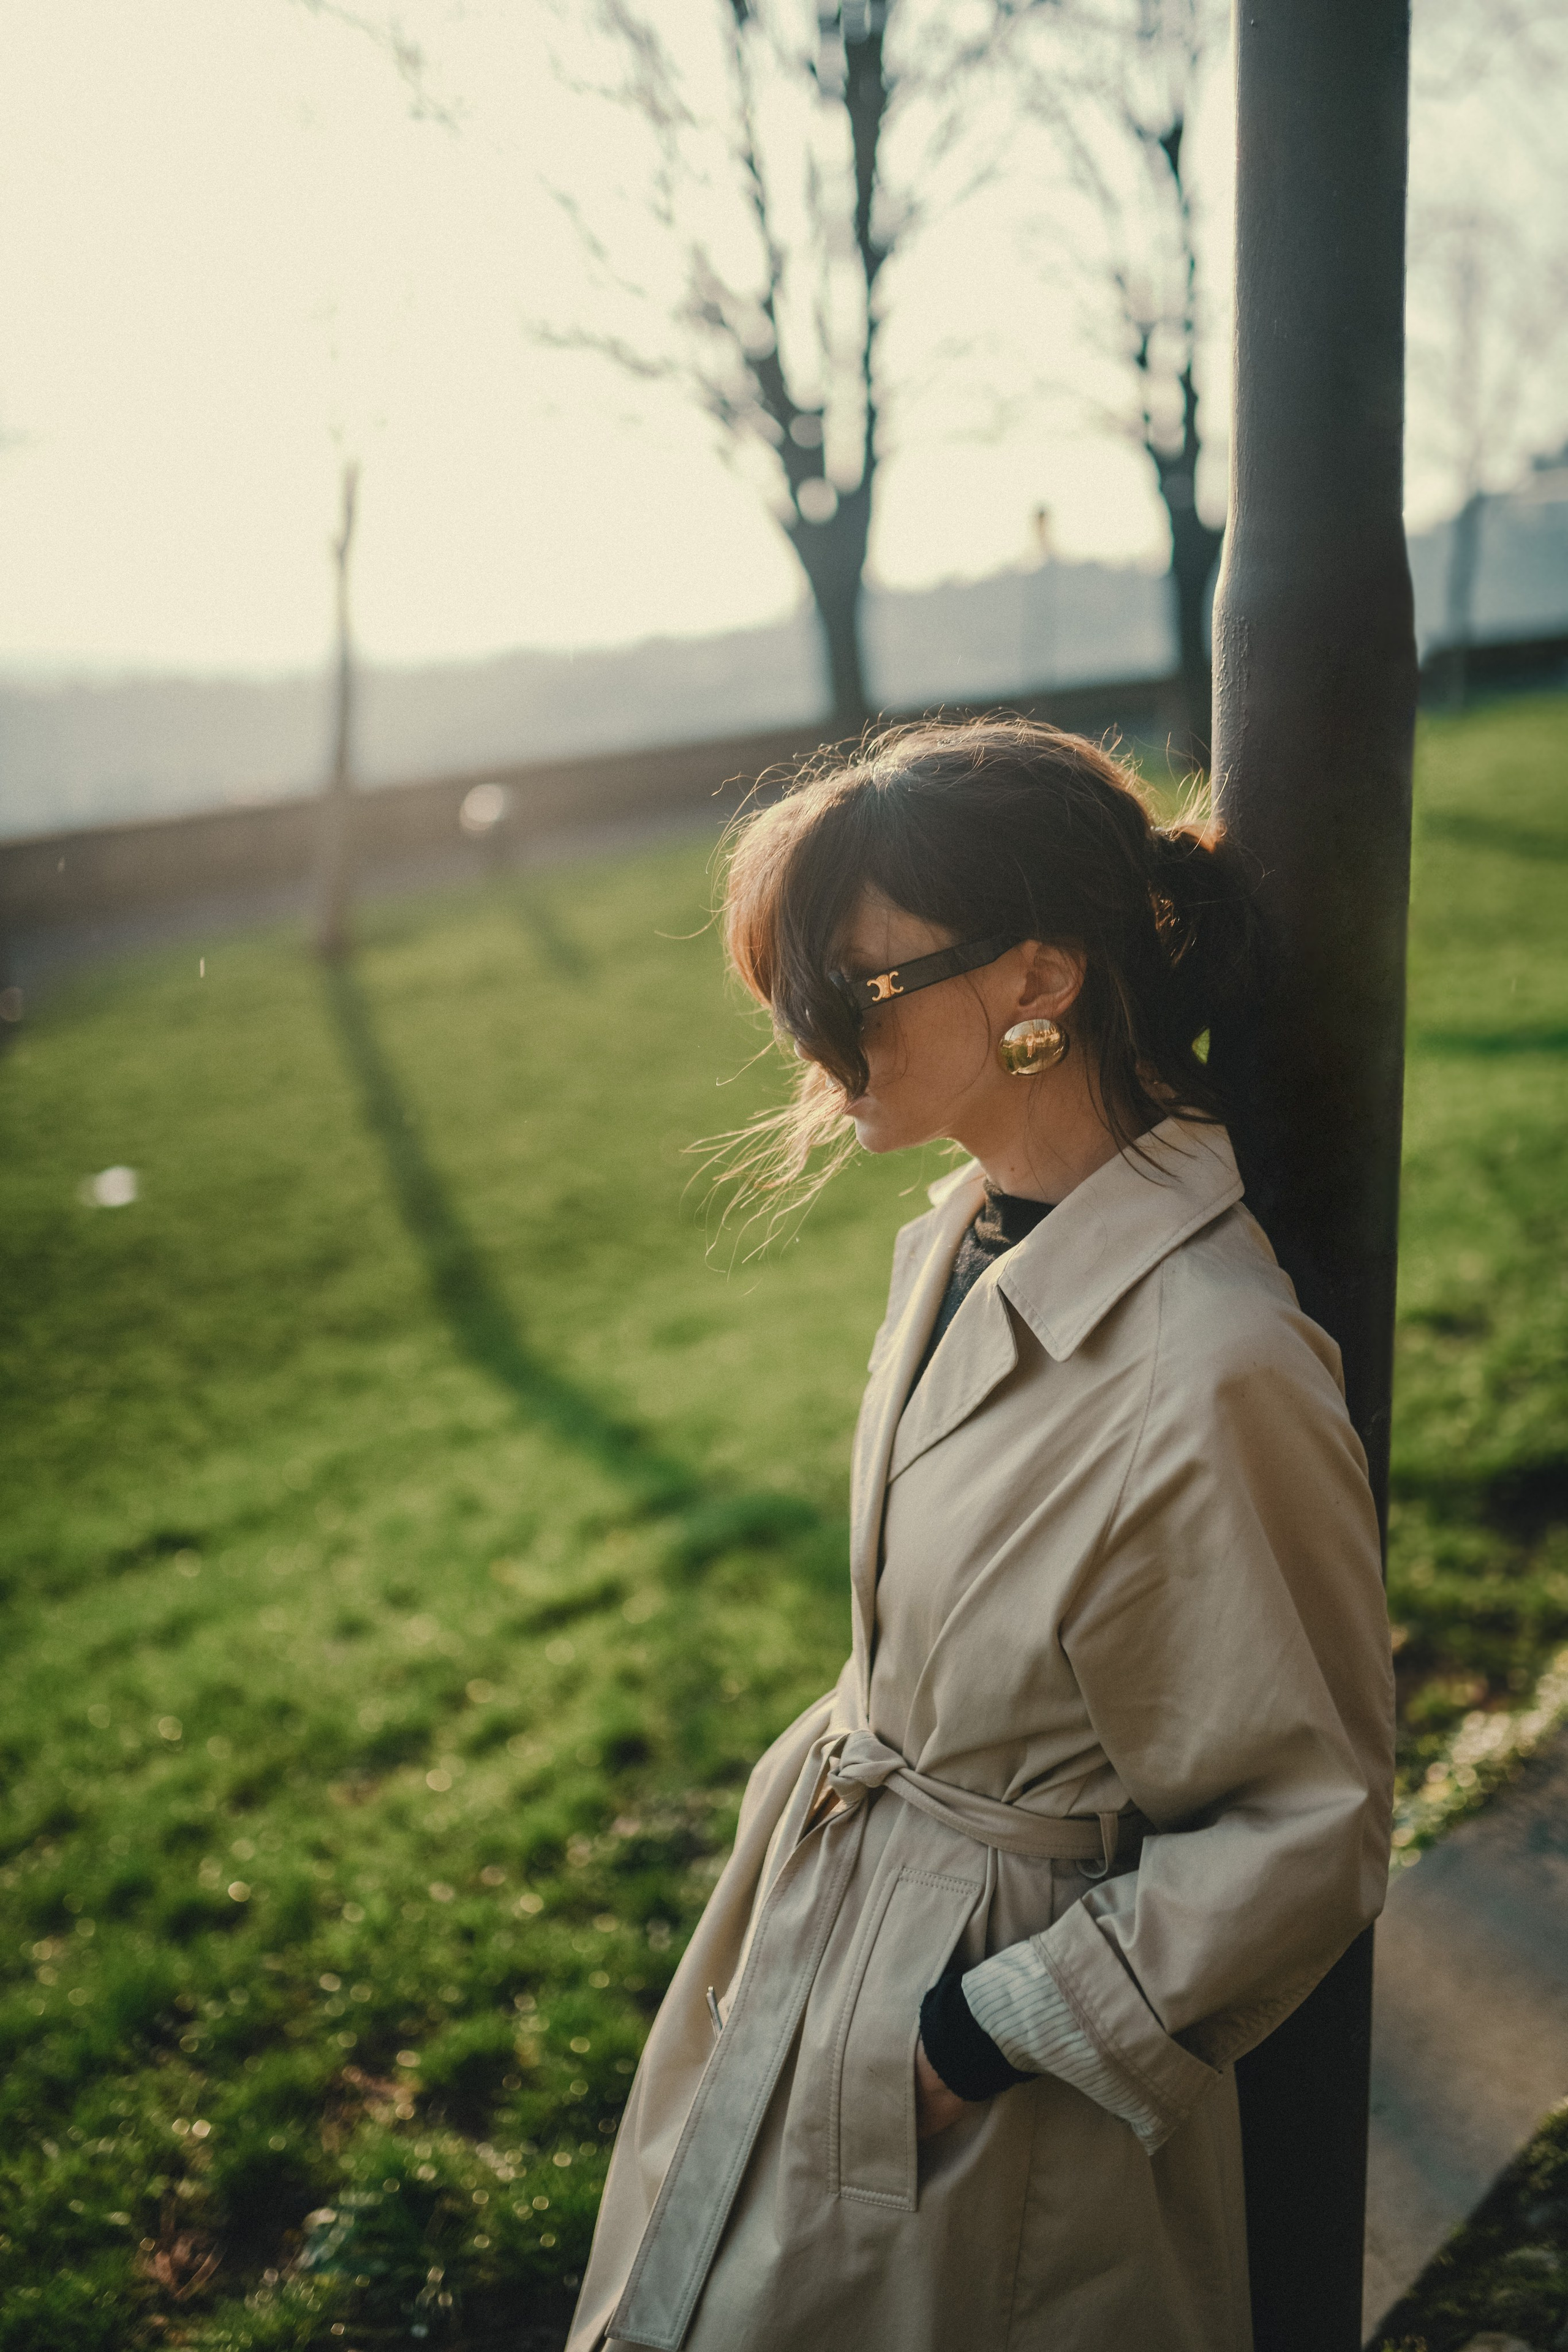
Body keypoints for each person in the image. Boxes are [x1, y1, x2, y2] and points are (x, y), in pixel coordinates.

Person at [567, 718, 1394, 2352]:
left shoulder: (1210, 1366)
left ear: (1036, 980)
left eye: (847, 995)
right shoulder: (961, 1240)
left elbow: (1312, 1822)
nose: (813, 1048)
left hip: (1002, 2092)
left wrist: (982, 2036)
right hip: (818, 1945)